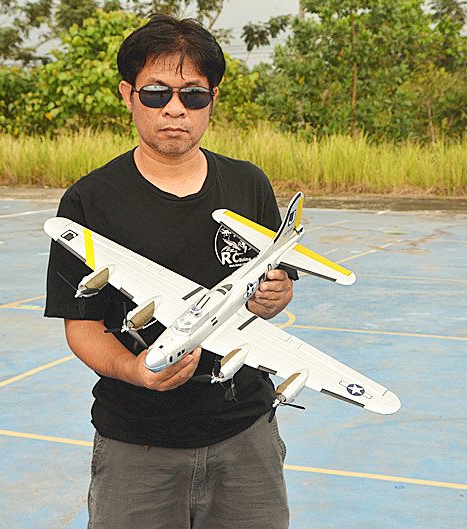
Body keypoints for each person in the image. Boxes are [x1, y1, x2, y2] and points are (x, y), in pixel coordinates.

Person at [44, 14, 295, 529]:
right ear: (128, 94)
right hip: (137, 440)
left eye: (193, 95)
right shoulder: (90, 201)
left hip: (245, 430)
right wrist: (137, 371)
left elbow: (278, 285)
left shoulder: (249, 186)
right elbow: (82, 325)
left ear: (213, 99)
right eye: (156, 93)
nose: (175, 109)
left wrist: (277, 296)